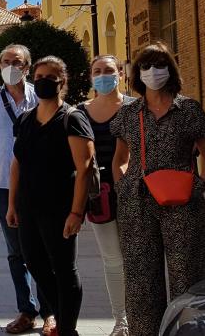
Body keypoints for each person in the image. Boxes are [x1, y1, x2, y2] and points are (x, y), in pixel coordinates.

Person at [111, 42, 205, 335]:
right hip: (138, 204)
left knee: (189, 275)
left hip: (183, 203)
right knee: (141, 279)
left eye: (159, 65)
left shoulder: (188, 109)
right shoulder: (129, 114)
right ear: (137, 73)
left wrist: (199, 185)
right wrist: (124, 188)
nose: (152, 71)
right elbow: (119, 159)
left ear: (170, 70)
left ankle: (190, 331)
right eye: (146, 66)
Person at [6, 56, 94, 336]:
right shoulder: (25, 120)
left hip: (60, 208)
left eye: (50, 77)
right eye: (39, 76)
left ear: (62, 82)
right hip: (28, 207)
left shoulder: (72, 118)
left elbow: (85, 168)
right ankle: (62, 317)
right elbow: (17, 162)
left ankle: (67, 329)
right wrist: (11, 204)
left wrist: (77, 212)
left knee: (64, 269)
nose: (43, 81)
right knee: (34, 263)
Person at [0, 44, 54, 335]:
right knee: (16, 251)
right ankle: (27, 310)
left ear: (27, 67)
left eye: (17, 62)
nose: (11, 66)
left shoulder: (42, 99)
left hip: (42, 184)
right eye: (6, 61)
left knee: (46, 248)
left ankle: (51, 312)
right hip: (2, 184)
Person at [79, 55, 130, 336]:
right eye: (97, 71)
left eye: (109, 71)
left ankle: (143, 315)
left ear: (120, 74)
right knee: (112, 258)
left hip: (136, 193)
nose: (103, 75)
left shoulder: (136, 107)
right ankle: (121, 321)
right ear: (90, 77)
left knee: (138, 257)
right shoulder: (79, 112)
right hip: (99, 195)